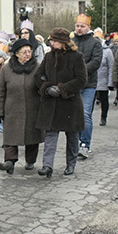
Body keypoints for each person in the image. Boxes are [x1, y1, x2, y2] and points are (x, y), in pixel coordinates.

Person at [34, 27, 87, 177]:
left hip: (70, 102)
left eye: (54, 41)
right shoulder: (49, 56)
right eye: (51, 40)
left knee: (72, 135)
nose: (51, 43)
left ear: (63, 42)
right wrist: (47, 87)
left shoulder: (77, 57)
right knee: (50, 135)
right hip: (51, 102)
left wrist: (63, 89)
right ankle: (47, 165)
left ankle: (71, 164)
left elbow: (82, 79)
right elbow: (39, 75)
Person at [0, 38, 42, 174]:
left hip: (33, 108)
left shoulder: (37, 67)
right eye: (24, 52)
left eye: (29, 51)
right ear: (16, 54)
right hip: (12, 110)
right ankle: (9, 162)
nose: (28, 54)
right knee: (10, 137)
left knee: (32, 137)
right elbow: (0, 91)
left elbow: (43, 87)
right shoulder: (7, 69)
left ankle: (30, 160)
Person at [71, 14, 102, 159]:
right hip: (73, 84)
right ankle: (75, 142)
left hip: (88, 84)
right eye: (77, 26)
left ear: (88, 27)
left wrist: (80, 71)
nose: (79, 28)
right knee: (73, 115)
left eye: (82, 26)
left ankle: (85, 144)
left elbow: (96, 62)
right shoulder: (71, 42)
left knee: (85, 114)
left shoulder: (95, 43)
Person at [93, 29, 114, 126]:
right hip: (92, 80)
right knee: (89, 101)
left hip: (103, 80)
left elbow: (111, 67)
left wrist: (110, 82)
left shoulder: (107, 51)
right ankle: (88, 117)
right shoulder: (91, 50)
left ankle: (103, 117)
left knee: (104, 100)